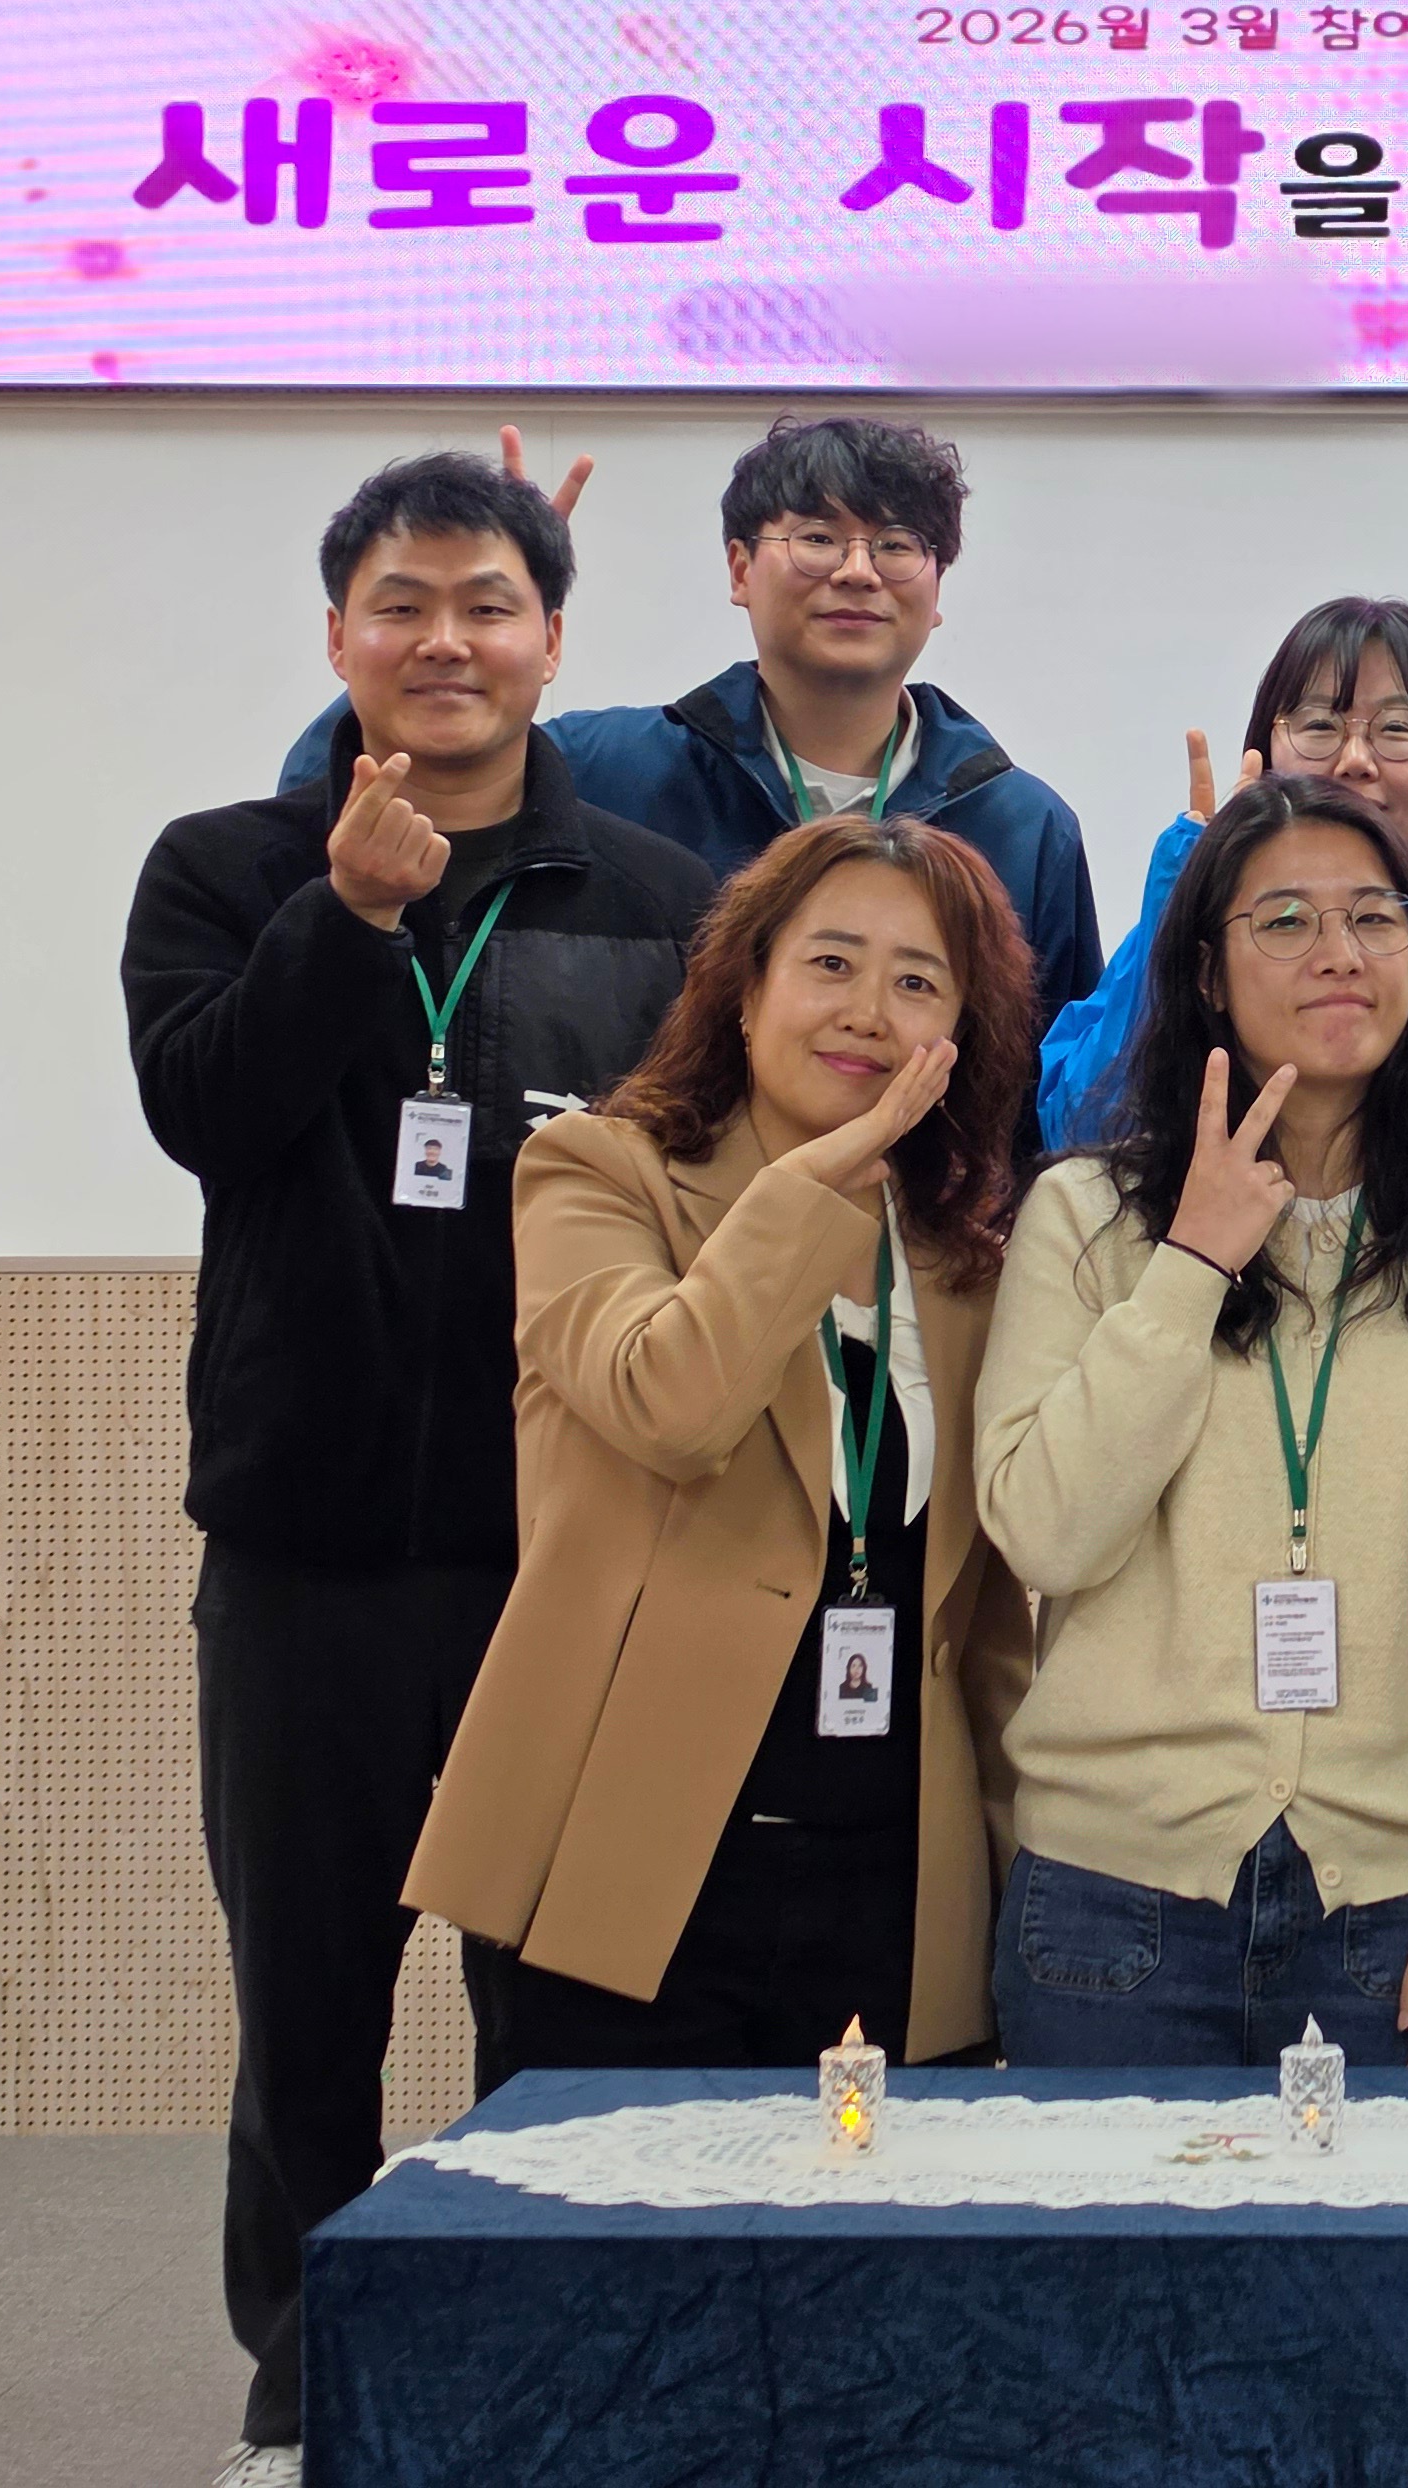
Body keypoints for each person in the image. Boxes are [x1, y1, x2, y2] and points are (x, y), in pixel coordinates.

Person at [121, 453, 713, 2484]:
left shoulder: (658, 902)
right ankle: (308, 2402)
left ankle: (549, 2388)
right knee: (310, 2013)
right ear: (337, 637)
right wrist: (350, 912)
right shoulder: (224, 870)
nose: (444, 639)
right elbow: (205, 1109)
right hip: (306, 1553)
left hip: (571, 1561)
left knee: (564, 2011)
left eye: (486, 603)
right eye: (401, 602)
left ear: (552, 641)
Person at [977, 775, 1408, 2066]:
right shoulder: (1084, 1217)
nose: (1339, 954)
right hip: (1112, 1901)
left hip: (1402, 1907)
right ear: (1207, 974)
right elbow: (1045, 1534)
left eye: (1375, 918)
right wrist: (1192, 1262)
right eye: (1285, 921)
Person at [406, 815, 1040, 2075]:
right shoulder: (599, 1174)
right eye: (831, 963)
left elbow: (980, 1614)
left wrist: (1013, 1865)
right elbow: (673, 1403)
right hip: (630, 1869)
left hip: (893, 1883)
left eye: (918, 983)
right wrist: (816, 1183)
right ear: (744, 991)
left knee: (880, 2209)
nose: (868, 1012)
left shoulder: (962, 1260)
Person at [281, 417, 1101, 1021]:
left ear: (937, 586)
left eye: (896, 545)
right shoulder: (606, 769)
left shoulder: (1022, 825)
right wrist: (483, 599)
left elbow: (1051, 1086)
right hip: (652, 1195)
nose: (858, 571)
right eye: (818, 538)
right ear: (739, 569)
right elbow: (349, 797)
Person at [1031, 597, 1408, 1152]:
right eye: (1320, 724)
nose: (1355, 759)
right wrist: (1186, 901)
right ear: (1267, 758)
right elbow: (1084, 1133)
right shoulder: (1206, 929)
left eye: (1397, 727)